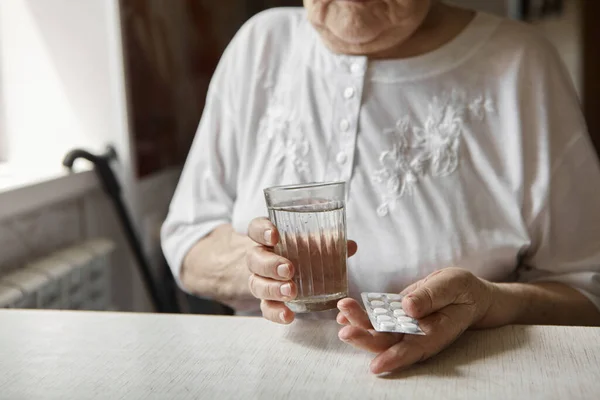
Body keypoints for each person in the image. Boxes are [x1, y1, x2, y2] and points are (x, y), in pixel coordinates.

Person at [161, 0, 600, 374]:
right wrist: (253, 267)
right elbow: (187, 239)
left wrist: (490, 302)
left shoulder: (520, 63)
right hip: (262, 378)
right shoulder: (260, 45)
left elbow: (586, 290)